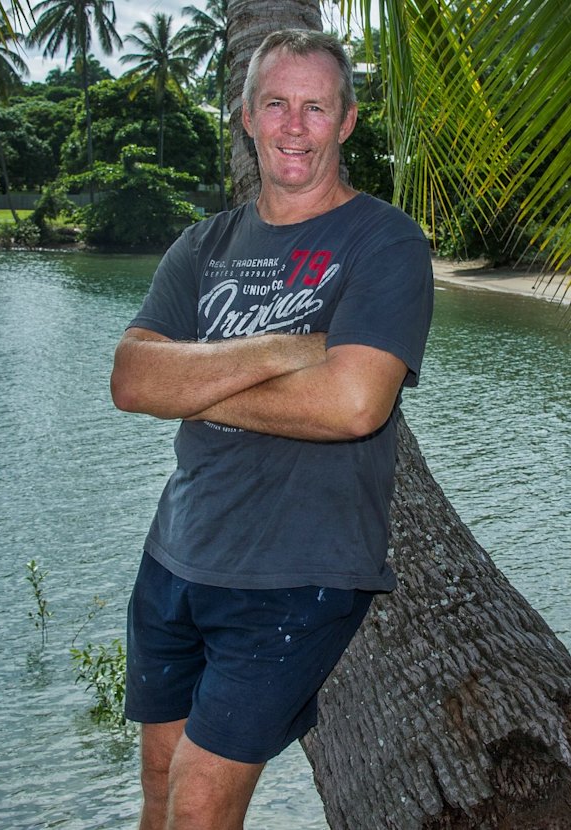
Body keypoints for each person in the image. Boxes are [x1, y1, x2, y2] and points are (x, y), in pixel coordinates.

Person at [111, 28, 433, 830]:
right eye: (276, 104)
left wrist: (193, 386)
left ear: (346, 121)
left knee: (197, 804)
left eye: (315, 107)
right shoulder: (202, 245)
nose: (295, 126)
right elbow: (132, 379)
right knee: (157, 787)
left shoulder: (383, 240)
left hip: (298, 572)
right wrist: (285, 349)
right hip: (176, 555)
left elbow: (352, 405)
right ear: (247, 117)